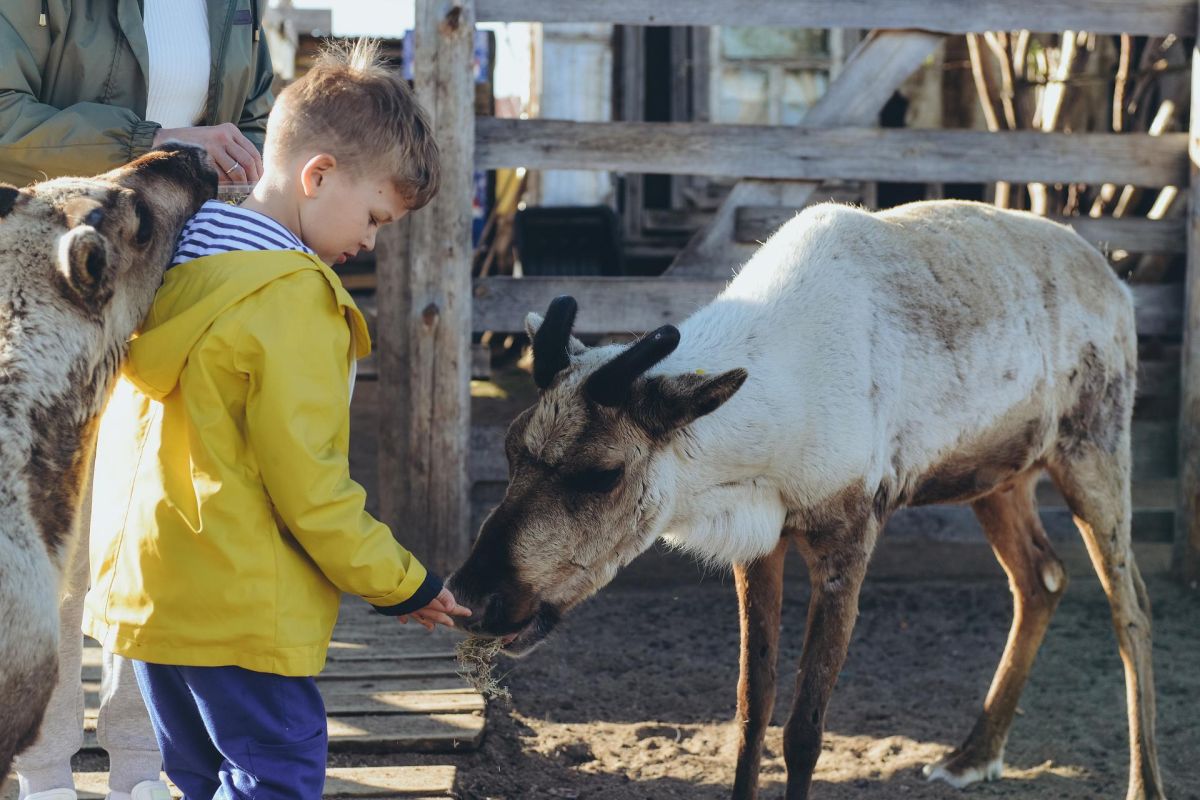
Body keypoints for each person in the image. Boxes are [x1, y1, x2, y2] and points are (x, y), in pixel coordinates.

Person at [82, 38, 470, 800]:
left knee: (195, 777)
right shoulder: (293, 300)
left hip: (150, 597)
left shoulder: (174, 265)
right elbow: (312, 489)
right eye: (374, 215)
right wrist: (403, 584)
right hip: (240, 609)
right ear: (318, 174)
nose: (369, 241)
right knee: (278, 776)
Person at [0, 4, 274, 800]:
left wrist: (241, 154)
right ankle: (44, 772)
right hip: (57, 280)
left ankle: (141, 767)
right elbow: (6, 116)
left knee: (149, 516)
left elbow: (256, 116)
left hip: (182, 271)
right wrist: (161, 142)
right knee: (49, 530)